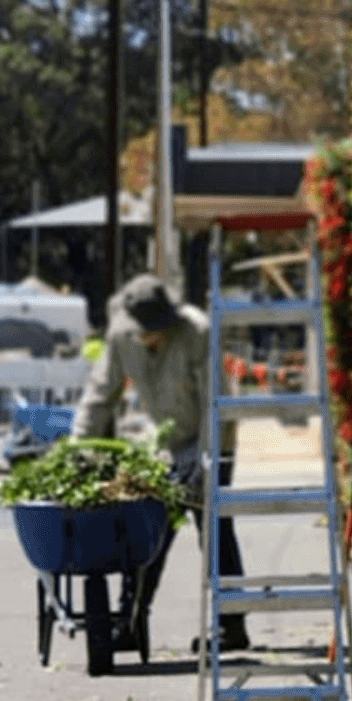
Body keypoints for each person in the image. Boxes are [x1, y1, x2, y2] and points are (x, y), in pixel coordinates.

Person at [73, 273, 247, 652]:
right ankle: (131, 621)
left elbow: (215, 403)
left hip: (211, 437)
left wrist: (204, 462)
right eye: (150, 332)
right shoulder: (121, 336)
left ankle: (231, 624)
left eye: (161, 329)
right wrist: (79, 448)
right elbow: (100, 394)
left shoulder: (196, 331)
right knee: (145, 531)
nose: (157, 336)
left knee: (213, 529)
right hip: (166, 443)